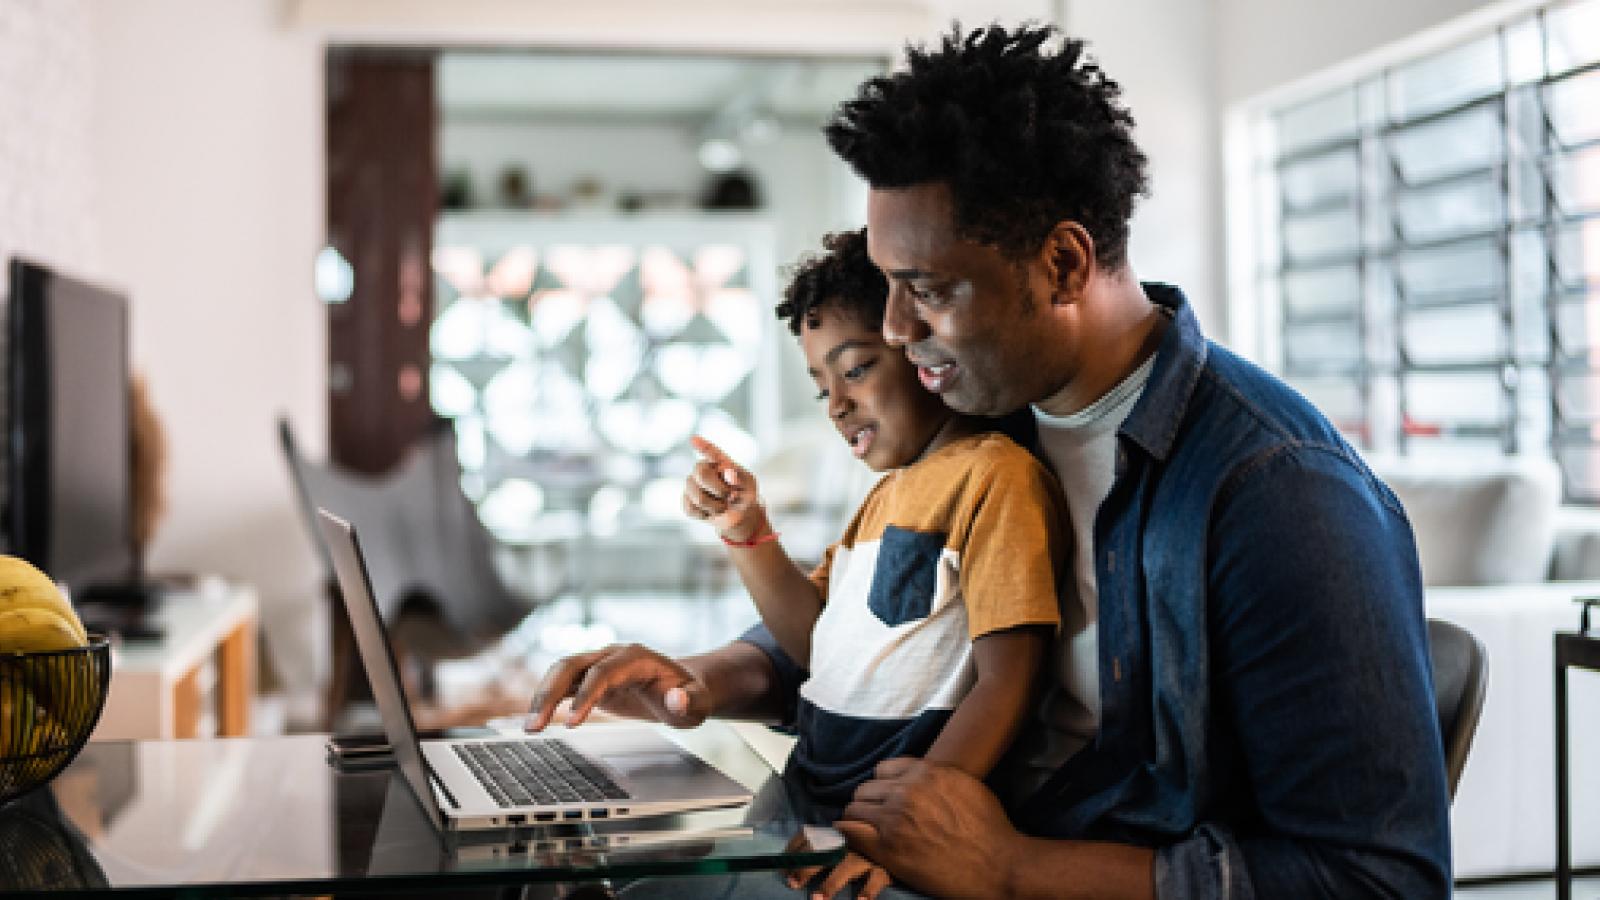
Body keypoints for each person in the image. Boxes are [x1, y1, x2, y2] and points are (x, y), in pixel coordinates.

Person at [529, 23, 1451, 899]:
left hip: (1019, 873)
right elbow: (866, 629)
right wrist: (696, 683)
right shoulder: (985, 420)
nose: (894, 330)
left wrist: (1011, 871)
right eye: (888, 286)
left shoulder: (1278, 495)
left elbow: (1377, 879)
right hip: (901, 852)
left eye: (927, 290)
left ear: (1061, 264)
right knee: (573, 873)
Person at [534, 229, 1064, 899]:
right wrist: (746, 532)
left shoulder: (996, 477)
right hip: (801, 802)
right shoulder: (886, 495)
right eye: (822, 388)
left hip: (874, 838)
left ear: (925, 347)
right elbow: (816, 644)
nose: (838, 405)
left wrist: (909, 827)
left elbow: (1008, 679)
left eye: (857, 368)